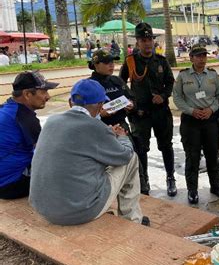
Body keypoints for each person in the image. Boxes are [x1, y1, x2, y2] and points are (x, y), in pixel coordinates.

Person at [29, 79, 149, 226]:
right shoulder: (96, 127)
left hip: (42, 208)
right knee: (132, 159)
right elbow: (124, 155)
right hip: (78, 212)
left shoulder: (51, 121)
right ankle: (132, 220)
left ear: (70, 102)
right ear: (100, 105)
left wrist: (106, 136)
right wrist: (122, 138)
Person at [120, 22, 177, 196]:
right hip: (140, 114)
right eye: (143, 39)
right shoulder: (130, 62)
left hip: (161, 113)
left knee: (166, 146)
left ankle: (170, 178)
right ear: (137, 42)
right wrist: (130, 102)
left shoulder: (161, 61)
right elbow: (120, 85)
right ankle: (144, 181)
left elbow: (170, 83)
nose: (147, 43)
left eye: (149, 39)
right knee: (141, 148)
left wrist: (164, 95)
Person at [173, 45, 219, 204]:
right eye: (198, 56)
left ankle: (216, 186)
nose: (202, 59)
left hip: (210, 120)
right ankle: (192, 190)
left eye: (204, 55)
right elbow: (177, 97)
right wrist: (191, 110)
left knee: (212, 154)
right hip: (191, 121)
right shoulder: (183, 76)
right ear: (191, 58)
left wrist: (211, 110)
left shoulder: (213, 74)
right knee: (193, 156)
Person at [0, 71, 58, 199]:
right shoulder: (25, 117)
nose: (48, 97)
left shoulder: (6, 108)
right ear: (27, 94)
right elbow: (47, 154)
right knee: (66, 166)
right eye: (43, 92)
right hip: (9, 185)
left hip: (4, 176)